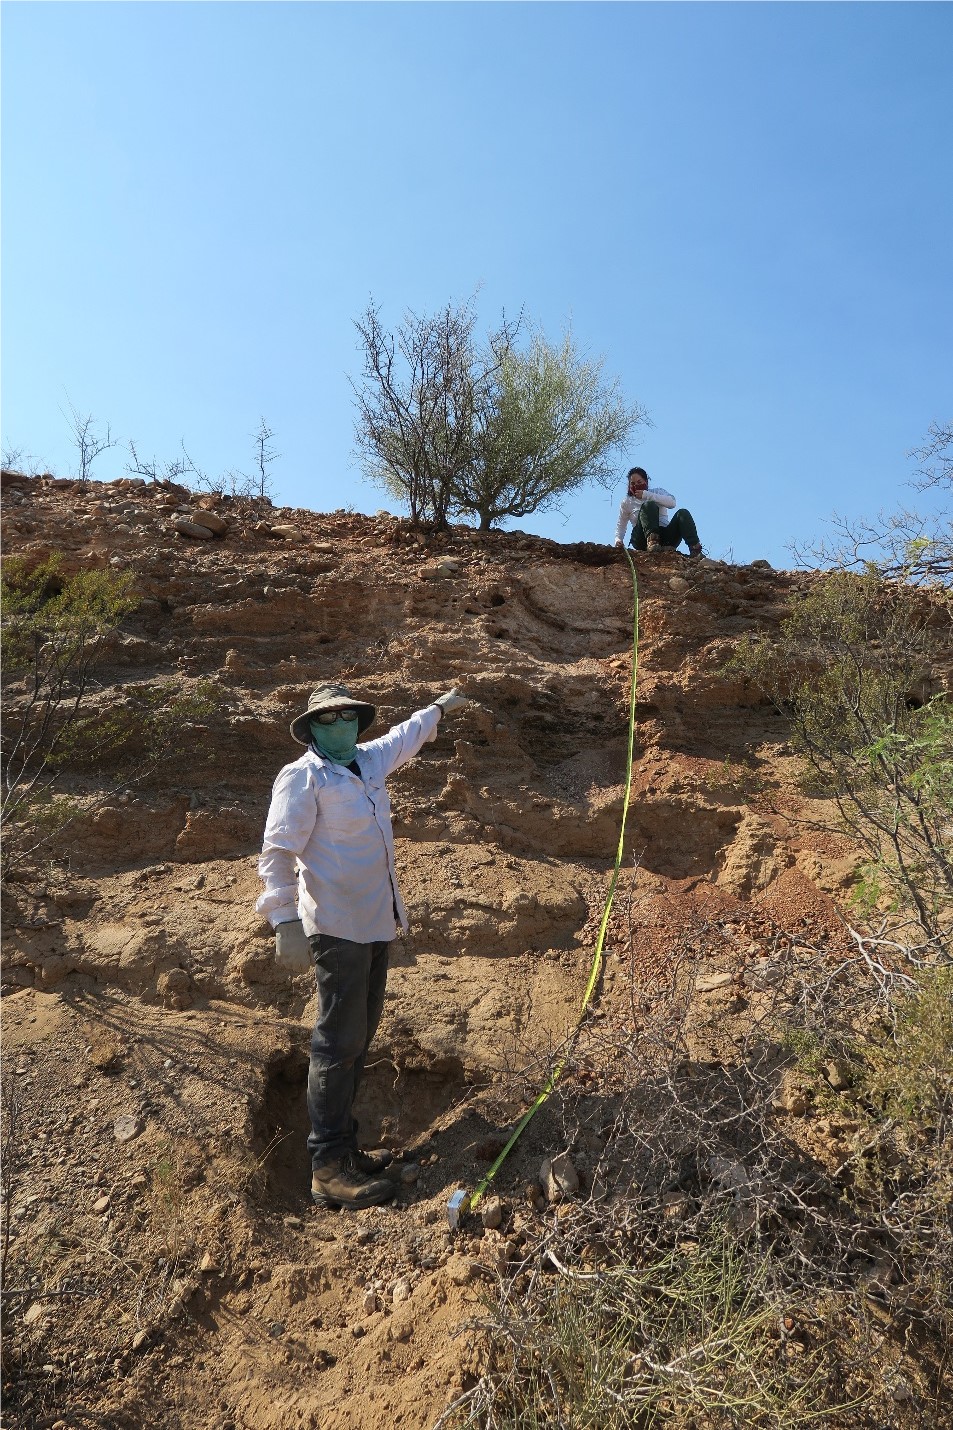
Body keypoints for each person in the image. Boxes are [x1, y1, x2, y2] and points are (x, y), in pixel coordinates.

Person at [256, 681, 467, 1210]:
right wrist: (283, 920)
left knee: (358, 1037)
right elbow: (278, 850)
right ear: (312, 729)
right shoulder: (302, 776)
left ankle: (345, 1150)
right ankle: (327, 1166)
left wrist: (437, 708)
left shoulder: (368, 762)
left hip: (376, 921)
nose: (341, 724)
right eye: (330, 719)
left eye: (348, 716)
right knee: (336, 1042)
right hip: (334, 926)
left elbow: (405, 737)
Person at [613, 466, 703, 557]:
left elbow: (672, 503)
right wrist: (618, 540)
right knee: (648, 505)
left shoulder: (657, 492)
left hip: (665, 537)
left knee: (683, 513)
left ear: (646, 481)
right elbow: (621, 524)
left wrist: (647, 495)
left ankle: (695, 549)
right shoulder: (627, 502)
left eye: (639, 482)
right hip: (641, 538)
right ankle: (652, 542)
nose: (636, 485)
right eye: (632, 483)